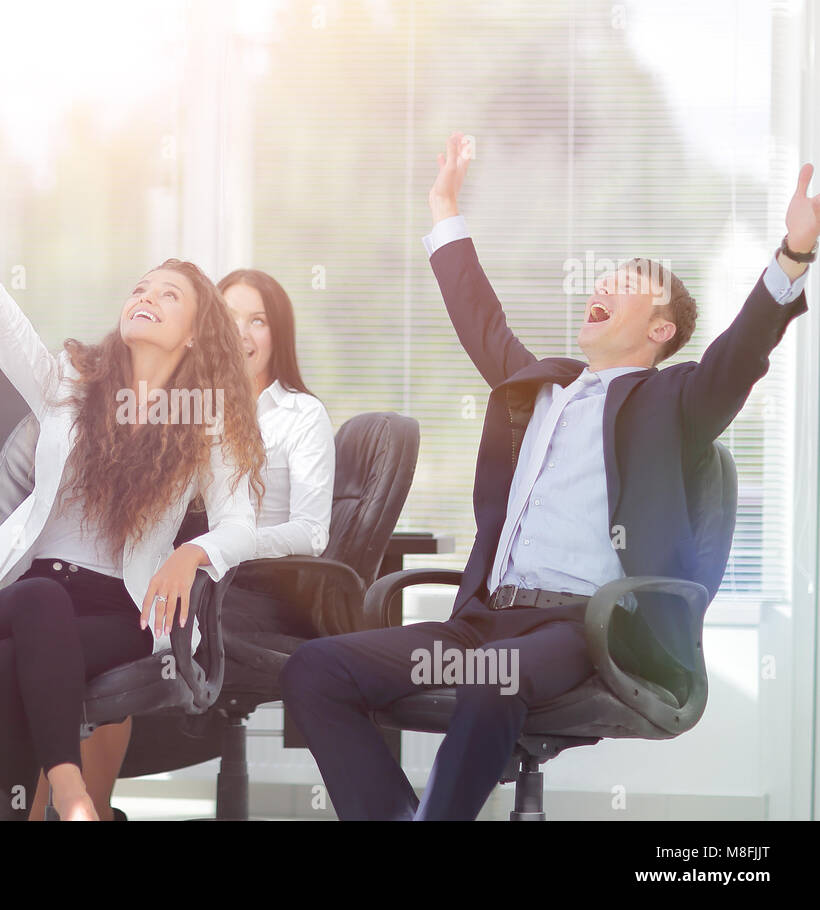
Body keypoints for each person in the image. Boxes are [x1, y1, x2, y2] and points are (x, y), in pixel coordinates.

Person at [281, 131, 815, 820]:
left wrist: (793, 255)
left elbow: (739, 355)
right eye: (604, 278)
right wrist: (444, 207)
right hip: (478, 620)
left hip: (580, 627)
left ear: (660, 330)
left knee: (490, 681)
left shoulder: (674, 400)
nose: (603, 285)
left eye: (626, 284)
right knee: (314, 669)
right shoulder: (538, 391)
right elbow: (481, 318)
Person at [0, 114, 267, 821]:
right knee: (40, 604)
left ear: (195, 333)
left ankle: (34, 813)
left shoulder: (203, 419)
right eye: (141, 288)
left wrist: (192, 552)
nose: (146, 298)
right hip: (24, 596)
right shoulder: (71, 382)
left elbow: (242, 522)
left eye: (168, 296)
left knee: (11, 666)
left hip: (119, 612)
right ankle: (75, 797)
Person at [28, 267, 337, 820]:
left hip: (250, 588)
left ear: (278, 336)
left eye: (258, 321)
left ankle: (79, 803)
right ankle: (84, 802)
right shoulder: (182, 403)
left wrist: (211, 548)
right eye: (231, 317)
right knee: (82, 623)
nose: (242, 332)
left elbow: (313, 533)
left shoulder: (300, 414)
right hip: (175, 571)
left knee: (122, 623)